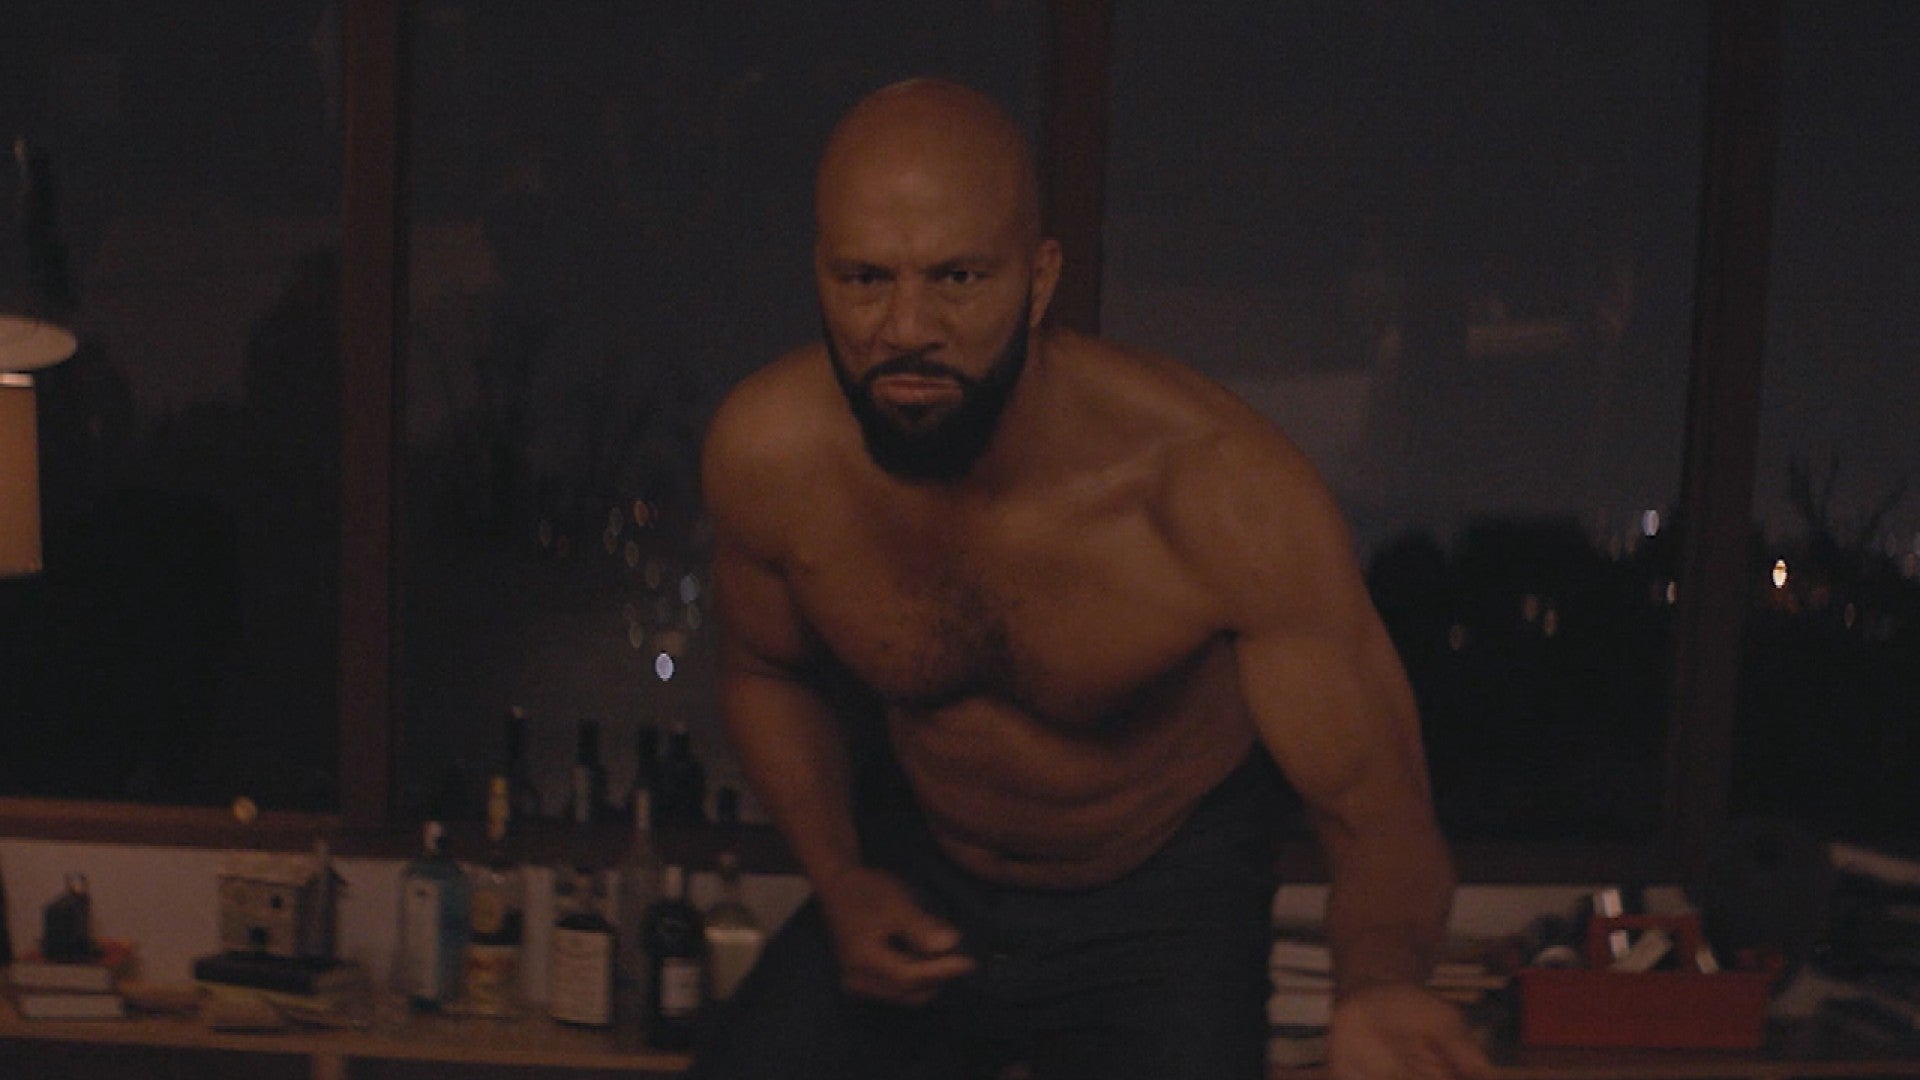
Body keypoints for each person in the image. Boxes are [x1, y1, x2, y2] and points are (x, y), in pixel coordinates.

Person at [693, 78, 1492, 1080]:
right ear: (819, 272)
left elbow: (1379, 820)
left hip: (1160, 907)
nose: (904, 328)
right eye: (864, 279)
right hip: (922, 869)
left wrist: (1374, 984)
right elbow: (765, 673)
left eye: (958, 278)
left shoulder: (1217, 492)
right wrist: (841, 874)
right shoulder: (771, 457)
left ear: (1038, 281)